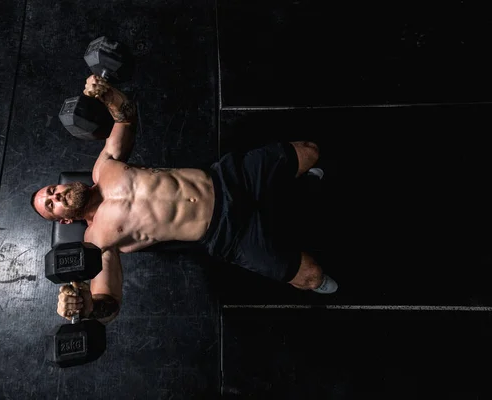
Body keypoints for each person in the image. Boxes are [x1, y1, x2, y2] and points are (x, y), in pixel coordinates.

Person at [31, 75, 338, 324]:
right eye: (51, 204)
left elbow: (126, 118)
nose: (55, 194)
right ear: (64, 219)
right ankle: (292, 195)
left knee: (311, 151)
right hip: (228, 234)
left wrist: (108, 93)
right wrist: (86, 307)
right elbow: (109, 304)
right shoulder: (95, 242)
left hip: (228, 179)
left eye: (50, 191)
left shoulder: (105, 167)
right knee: (312, 277)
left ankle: (294, 184)